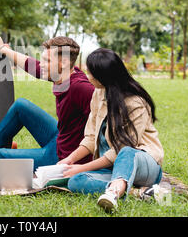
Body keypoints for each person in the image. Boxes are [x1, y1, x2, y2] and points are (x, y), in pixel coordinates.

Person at [59, 48, 164, 212]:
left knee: (127, 152)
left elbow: (121, 150)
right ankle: (139, 193)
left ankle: (114, 193)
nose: (88, 75)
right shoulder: (98, 93)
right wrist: (69, 160)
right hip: (113, 168)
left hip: (144, 165)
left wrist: (82, 167)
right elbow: (90, 136)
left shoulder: (136, 103)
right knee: (75, 181)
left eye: (91, 72)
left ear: (103, 76)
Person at [0, 36, 95, 170]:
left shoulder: (81, 88)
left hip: (62, 156)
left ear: (64, 63)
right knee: (21, 106)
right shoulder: (66, 73)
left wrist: (86, 164)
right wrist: (2, 49)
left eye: (47, 61)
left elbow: (104, 126)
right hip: (60, 137)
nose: (41, 64)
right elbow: (34, 67)